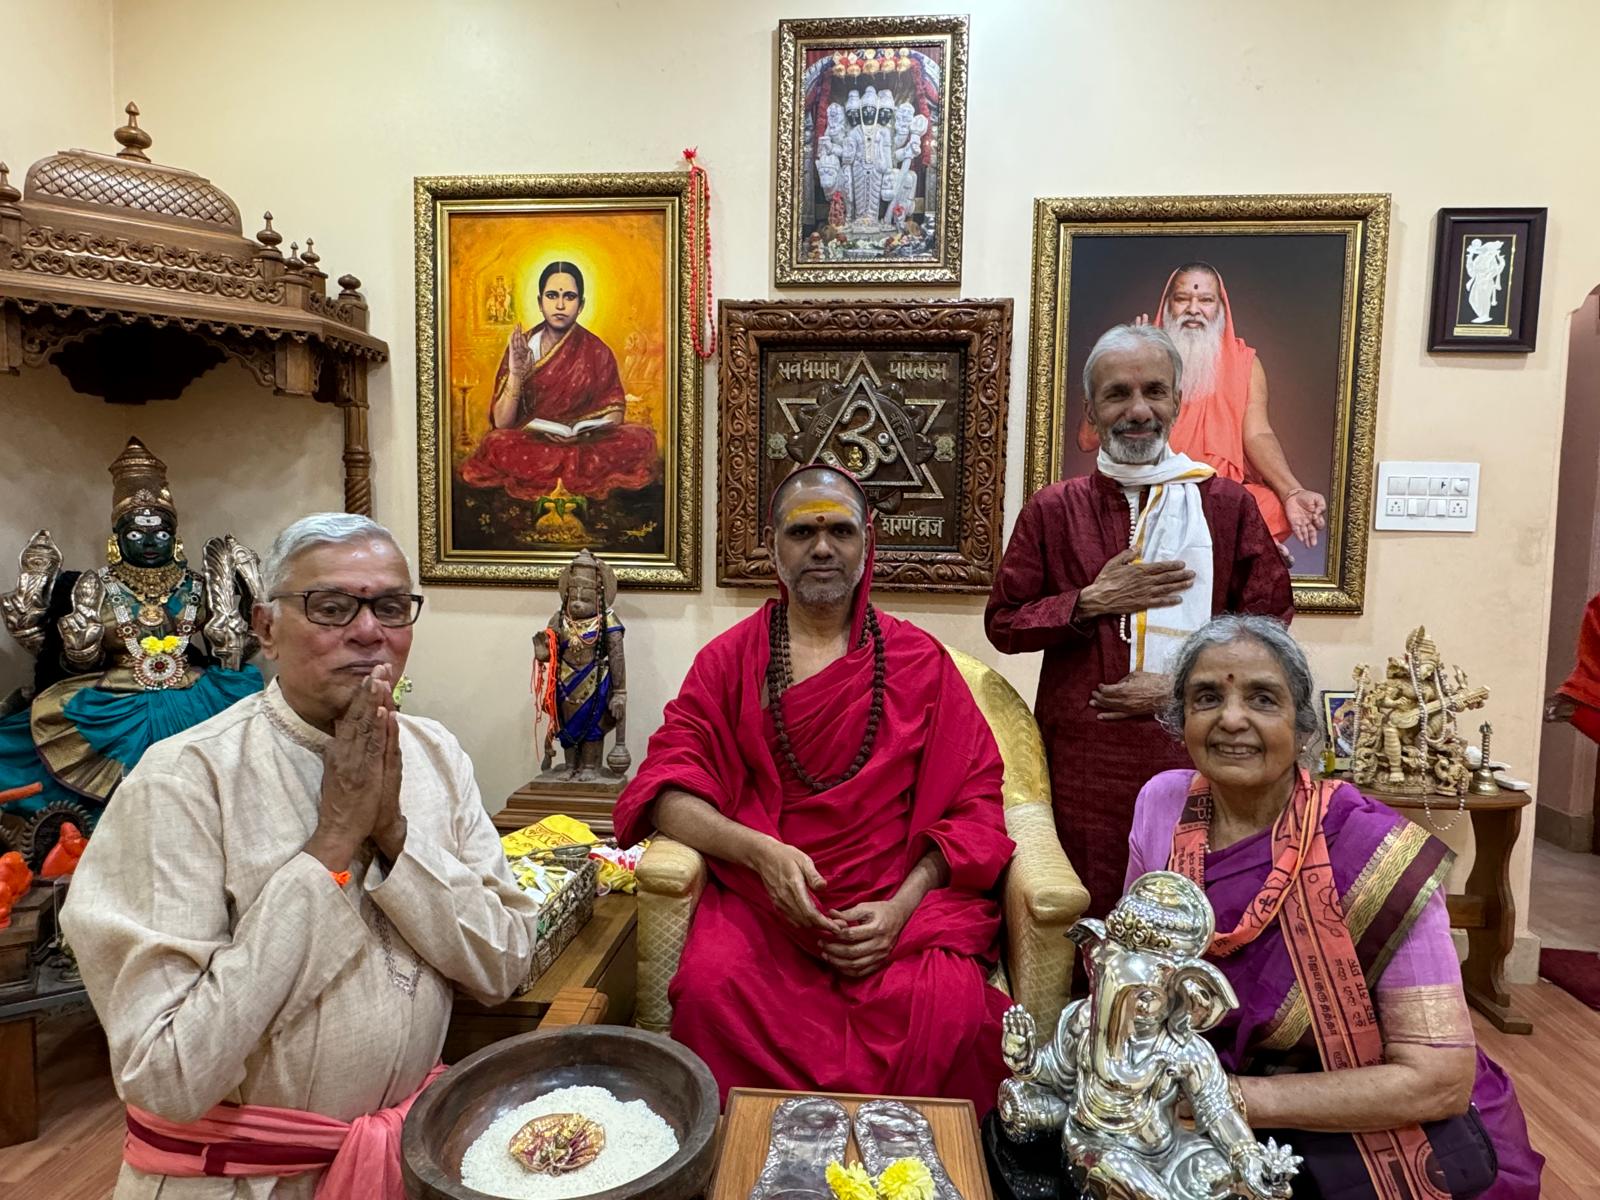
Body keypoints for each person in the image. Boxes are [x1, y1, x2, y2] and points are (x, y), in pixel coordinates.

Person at [61, 512, 540, 1199]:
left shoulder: (437, 756)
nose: (369, 631)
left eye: (392, 607)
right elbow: (168, 1074)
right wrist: (333, 845)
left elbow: (504, 966)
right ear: (265, 627)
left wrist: (397, 839)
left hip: (407, 1158)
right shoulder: (184, 780)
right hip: (240, 1180)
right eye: (332, 607)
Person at [613, 465, 1016, 1110]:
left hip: (891, 910)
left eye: (840, 530)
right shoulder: (728, 662)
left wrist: (902, 907)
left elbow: (976, 807)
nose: (822, 548)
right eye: (803, 531)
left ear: (868, 541)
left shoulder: (921, 663)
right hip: (768, 908)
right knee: (710, 993)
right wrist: (760, 854)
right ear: (774, 547)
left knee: (952, 1012)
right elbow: (665, 790)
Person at [1124, 614, 1542, 1200]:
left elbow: (1440, 1082)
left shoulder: (1371, 851)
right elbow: (1132, 964)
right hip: (1183, 1088)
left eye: (1262, 699)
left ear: (1302, 727)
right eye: (1207, 697)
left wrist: (1233, 1100)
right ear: (1182, 719)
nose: (1232, 719)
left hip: (1336, 1111)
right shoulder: (1162, 802)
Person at [985, 324, 1291, 918]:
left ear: (1177, 400)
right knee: (1091, 915)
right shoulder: (1054, 509)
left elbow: (1268, 628)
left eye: (1154, 391)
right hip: (1083, 763)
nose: (1138, 410)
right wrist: (1089, 602)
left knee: (1193, 909)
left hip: (1198, 751)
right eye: (1117, 394)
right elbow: (1004, 623)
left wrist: (1181, 686)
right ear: (1091, 410)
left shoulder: (1226, 506)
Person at [0, 437, 263, 864]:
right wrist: (80, 648)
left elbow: (240, 647)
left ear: (175, 537)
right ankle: (108, 846)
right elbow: (73, 663)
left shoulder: (196, 583)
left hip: (193, 692)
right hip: (116, 691)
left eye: (161, 532)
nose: (150, 541)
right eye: (136, 532)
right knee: (16, 739)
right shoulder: (94, 584)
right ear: (117, 537)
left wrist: (231, 637)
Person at [460, 260, 660, 502]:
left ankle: (563, 469)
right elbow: (503, 423)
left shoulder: (598, 350)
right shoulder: (523, 347)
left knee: (640, 438)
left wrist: (584, 430)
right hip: (533, 443)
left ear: (581, 304)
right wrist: (515, 371)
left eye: (570, 297)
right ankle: (567, 472)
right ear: (540, 302)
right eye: (552, 295)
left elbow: (615, 413)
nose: (561, 305)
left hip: (586, 443)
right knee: (496, 443)